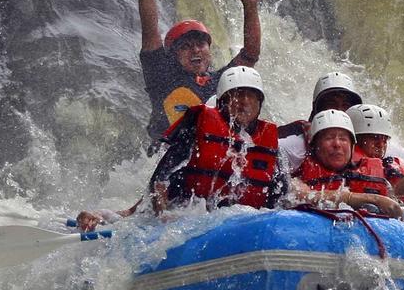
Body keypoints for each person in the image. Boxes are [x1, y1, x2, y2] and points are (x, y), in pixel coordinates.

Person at [77, 66, 286, 229]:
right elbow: (160, 180)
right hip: (185, 206)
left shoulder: (270, 147)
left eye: (252, 97)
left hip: (237, 222)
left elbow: (281, 200)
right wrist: (163, 215)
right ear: (223, 102)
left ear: (260, 104)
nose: (245, 103)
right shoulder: (197, 132)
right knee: (135, 213)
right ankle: (97, 216)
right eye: (238, 95)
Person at [137, 0, 262, 146]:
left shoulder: (221, 81)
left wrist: (250, 5)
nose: (195, 50)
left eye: (200, 44)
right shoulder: (161, 74)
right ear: (173, 56)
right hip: (166, 158)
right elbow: (150, 30)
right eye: (186, 46)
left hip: (204, 161)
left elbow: (251, 53)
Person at [290, 109, 404, 217]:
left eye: (343, 139)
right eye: (329, 138)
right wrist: (373, 199)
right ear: (315, 146)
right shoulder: (297, 176)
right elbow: (304, 196)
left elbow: (398, 207)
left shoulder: (381, 172)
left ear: (352, 147)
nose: (337, 144)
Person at [277, 71, 364, 172]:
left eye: (345, 105)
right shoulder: (296, 146)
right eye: (332, 104)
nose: (338, 111)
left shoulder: (368, 142)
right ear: (317, 108)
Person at [347, 104, 404, 208]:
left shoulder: (387, 154)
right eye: (374, 137)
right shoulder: (335, 159)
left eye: (385, 139)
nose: (381, 145)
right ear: (355, 139)